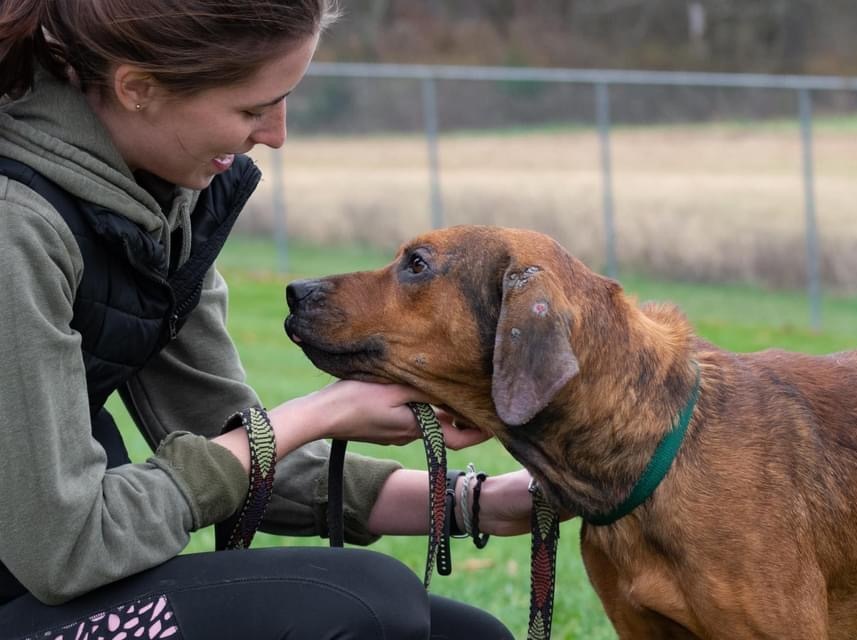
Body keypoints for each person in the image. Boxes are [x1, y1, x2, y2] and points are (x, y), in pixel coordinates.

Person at [0, 1, 535, 638]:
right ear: (137, 88)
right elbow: (70, 547)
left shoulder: (156, 203)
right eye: (252, 109)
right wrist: (322, 412)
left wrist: (474, 503)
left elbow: (235, 451)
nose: (277, 134)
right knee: (371, 602)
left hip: (65, 587)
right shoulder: (18, 227)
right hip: (43, 586)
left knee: (468, 637)